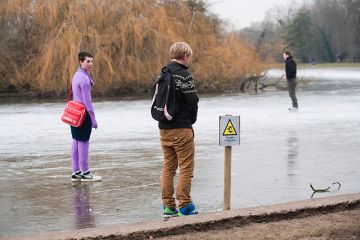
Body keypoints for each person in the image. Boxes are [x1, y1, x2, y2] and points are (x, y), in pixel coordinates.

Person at [157, 42, 199, 217]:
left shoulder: (163, 73)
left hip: (164, 128)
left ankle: (168, 207)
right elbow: (192, 100)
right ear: (186, 56)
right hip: (181, 128)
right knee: (186, 167)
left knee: (168, 168)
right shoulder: (183, 74)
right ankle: (185, 205)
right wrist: (191, 120)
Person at [70, 51, 101, 182]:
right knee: (83, 143)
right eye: (88, 61)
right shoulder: (84, 79)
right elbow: (87, 102)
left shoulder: (76, 75)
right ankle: (86, 172)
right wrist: (93, 120)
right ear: (81, 62)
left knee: (76, 141)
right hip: (83, 114)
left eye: (91, 61)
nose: (90, 64)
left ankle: (76, 172)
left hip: (74, 113)